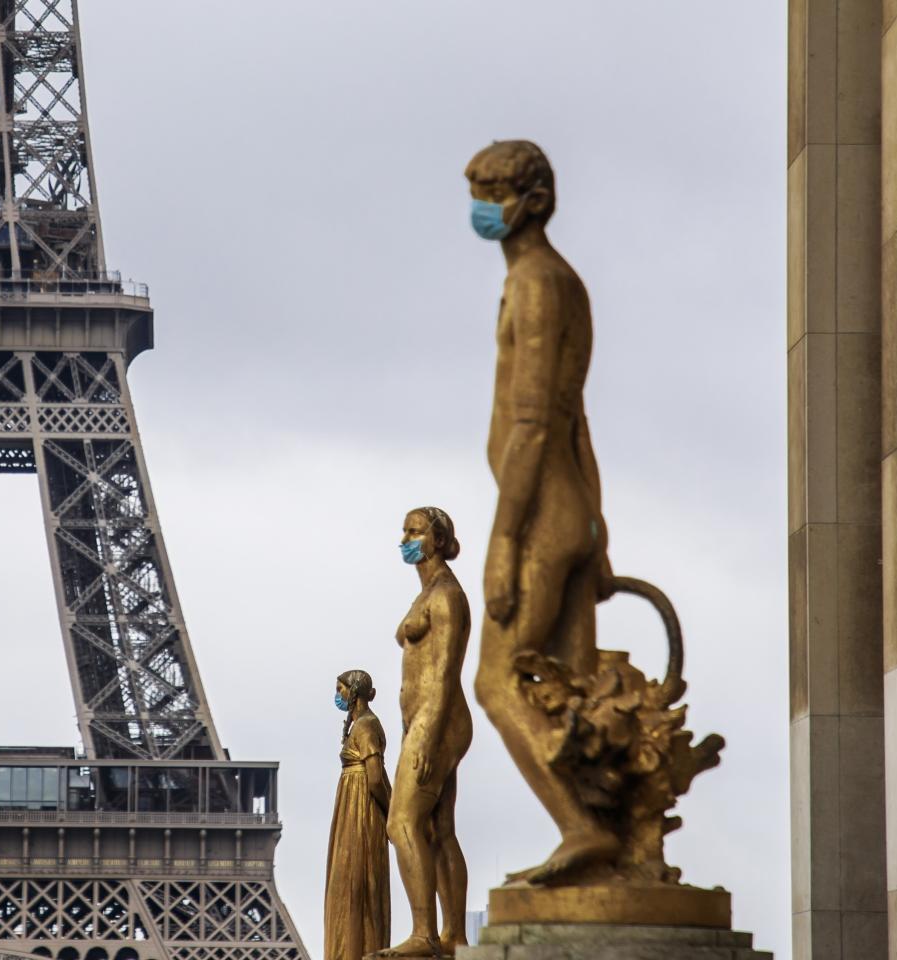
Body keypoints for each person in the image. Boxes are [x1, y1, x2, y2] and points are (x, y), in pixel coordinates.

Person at [466, 140, 618, 884]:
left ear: (529, 200)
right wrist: (598, 527)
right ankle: (608, 850)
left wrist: (502, 540)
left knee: (495, 684)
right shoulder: (564, 281)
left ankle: (581, 830)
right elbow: (576, 415)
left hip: (538, 516)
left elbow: (532, 422)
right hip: (570, 511)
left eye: (490, 191)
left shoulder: (534, 284)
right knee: (572, 696)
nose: (479, 207)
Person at [385, 507, 472, 956]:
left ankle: (424, 934)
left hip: (436, 720)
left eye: (414, 530)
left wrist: (428, 735)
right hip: (423, 720)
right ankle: (452, 935)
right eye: (404, 530)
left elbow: (443, 672)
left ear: (437, 540)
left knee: (401, 822)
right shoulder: (430, 593)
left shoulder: (446, 597)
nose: (405, 537)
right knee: (439, 829)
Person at [324, 669, 391, 960]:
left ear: (354, 692)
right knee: (351, 882)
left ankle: (354, 950)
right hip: (353, 804)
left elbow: (375, 778)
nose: (337, 696)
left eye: (340, 689)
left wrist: (393, 815)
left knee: (355, 880)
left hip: (360, 808)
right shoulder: (359, 725)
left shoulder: (365, 726)